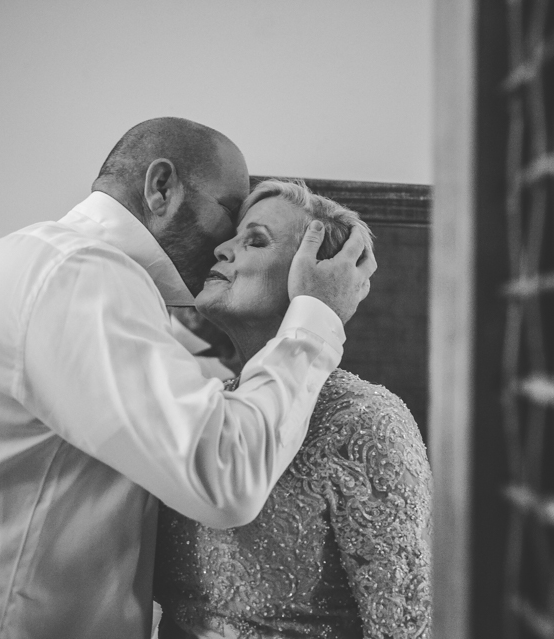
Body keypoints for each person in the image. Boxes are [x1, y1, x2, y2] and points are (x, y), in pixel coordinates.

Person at [0, 118, 376, 639]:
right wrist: (316, 317)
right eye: (230, 216)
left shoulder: (48, 264)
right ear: (162, 188)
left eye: (252, 238)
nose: (226, 246)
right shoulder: (80, 276)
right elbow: (223, 477)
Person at [153, 180, 432, 638]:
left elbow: (406, 624)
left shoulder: (364, 420)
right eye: (232, 237)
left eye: (255, 240)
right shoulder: (207, 406)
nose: (221, 250)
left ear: (314, 277)